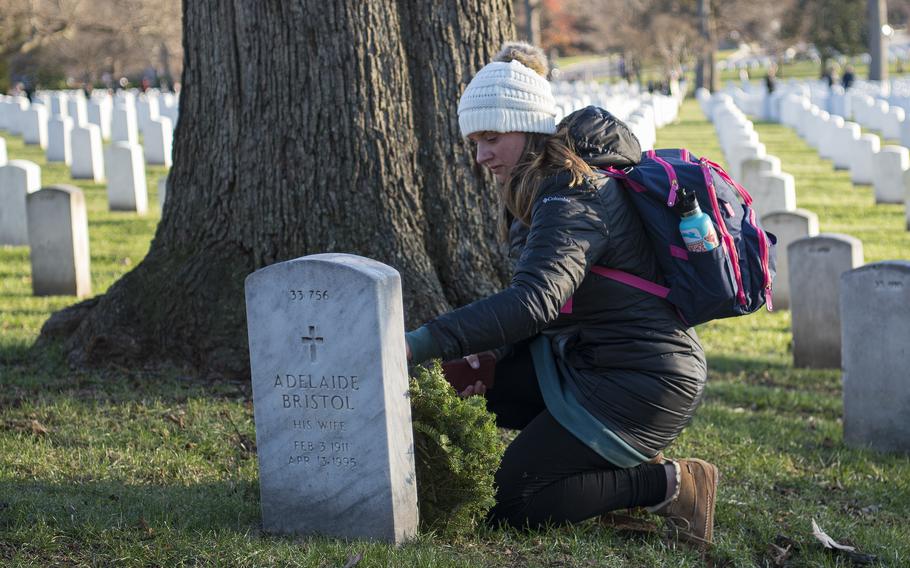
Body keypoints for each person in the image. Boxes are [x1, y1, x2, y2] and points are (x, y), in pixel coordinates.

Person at [405, 42, 717, 550]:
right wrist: (490, 357)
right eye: (474, 142)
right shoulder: (540, 187)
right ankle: (612, 466)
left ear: (527, 128)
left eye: (491, 138)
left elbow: (534, 302)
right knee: (479, 383)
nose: (481, 155)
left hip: (639, 382)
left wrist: (421, 342)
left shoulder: (573, 194)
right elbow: (550, 307)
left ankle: (668, 484)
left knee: (510, 504)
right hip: (589, 360)